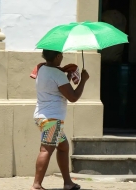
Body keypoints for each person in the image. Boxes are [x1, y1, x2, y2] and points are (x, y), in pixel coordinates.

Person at [31, 50, 90, 190]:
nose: (62, 58)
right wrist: (83, 80)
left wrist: (67, 78)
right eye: (61, 55)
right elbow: (73, 97)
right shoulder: (57, 73)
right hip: (52, 119)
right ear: (57, 56)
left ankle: (68, 183)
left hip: (43, 116)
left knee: (63, 147)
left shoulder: (42, 69)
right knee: (46, 149)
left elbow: (56, 90)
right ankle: (36, 185)